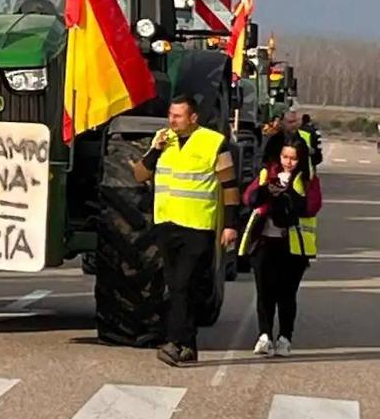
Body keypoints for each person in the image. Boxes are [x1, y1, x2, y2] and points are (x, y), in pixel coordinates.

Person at [133, 94, 240, 366]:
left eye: (178, 116)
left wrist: (229, 225)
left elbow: (229, 187)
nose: (172, 120)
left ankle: (173, 341)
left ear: (193, 118)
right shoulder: (162, 139)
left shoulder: (213, 142)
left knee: (182, 285)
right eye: (170, 115)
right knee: (180, 287)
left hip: (198, 226)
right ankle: (189, 346)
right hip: (167, 224)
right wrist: (155, 149)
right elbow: (139, 175)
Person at [240, 137, 321, 357]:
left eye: (294, 158)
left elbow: (313, 205)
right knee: (264, 293)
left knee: (287, 294)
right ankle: (264, 335)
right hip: (265, 242)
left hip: (293, 247)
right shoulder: (268, 173)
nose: (288, 162)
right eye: (285, 157)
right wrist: (267, 191)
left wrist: (289, 198)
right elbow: (248, 197)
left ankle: (285, 337)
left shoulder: (308, 179)